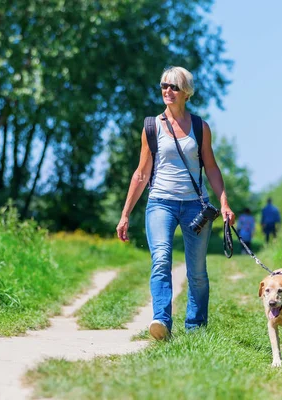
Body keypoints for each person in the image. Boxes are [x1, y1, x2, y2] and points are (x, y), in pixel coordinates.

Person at [116, 66, 235, 340]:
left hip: (196, 206)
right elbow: (141, 173)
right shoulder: (152, 126)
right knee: (160, 261)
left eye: (173, 87)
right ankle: (161, 321)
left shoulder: (199, 127)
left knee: (197, 272)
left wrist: (224, 202)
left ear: (186, 93)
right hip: (160, 203)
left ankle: (195, 328)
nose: (167, 91)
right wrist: (125, 215)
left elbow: (212, 168)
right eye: (163, 86)